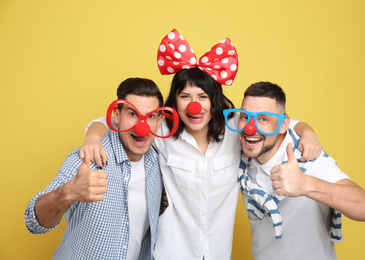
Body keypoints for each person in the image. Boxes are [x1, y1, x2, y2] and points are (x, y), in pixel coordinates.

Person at [81, 29, 323, 259]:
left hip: (218, 253)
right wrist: (92, 137)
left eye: (202, 97)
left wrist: (309, 133)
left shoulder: (235, 129)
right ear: (175, 102)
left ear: (213, 100)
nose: (194, 106)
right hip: (171, 253)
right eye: (185, 97)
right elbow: (112, 119)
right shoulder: (163, 130)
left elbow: (278, 123)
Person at [223, 81, 365, 260]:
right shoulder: (239, 146)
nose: (250, 128)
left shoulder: (307, 157)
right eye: (245, 116)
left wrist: (305, 184)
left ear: (283, 126)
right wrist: (308, 131)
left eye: (263, 119)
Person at [25, 78, 167, 260]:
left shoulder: (157, 164)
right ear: (117, 116)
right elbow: (33, 222)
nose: (142, 127)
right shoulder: (87, 159)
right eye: (132, 114)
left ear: (159, 121)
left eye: (151, 116)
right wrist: (68, 192)